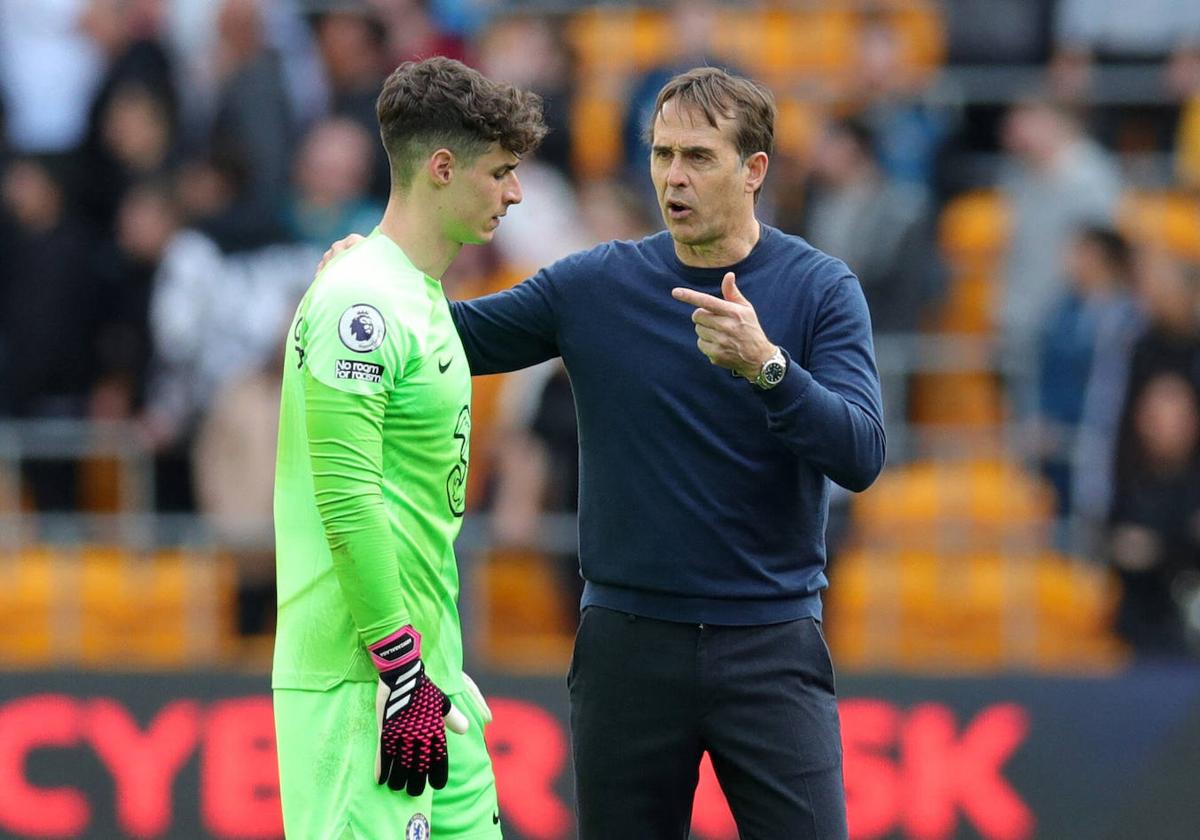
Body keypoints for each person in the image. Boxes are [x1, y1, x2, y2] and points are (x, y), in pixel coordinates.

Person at [327, 66, 884, 839]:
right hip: (627, 646)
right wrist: (365, 284)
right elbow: (444, 334)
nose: (673, 177)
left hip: (770, 644)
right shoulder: (596, 285)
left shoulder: (821, 289)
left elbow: (861, 453)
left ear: (754, 170)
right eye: (661, 155)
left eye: (698, 157)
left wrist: (769, 368)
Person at [273, 56, 546, 838]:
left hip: (436, 687)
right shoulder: (360, 301)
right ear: (439, 168)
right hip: (363, 686)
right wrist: (398, 672)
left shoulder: (418, 298)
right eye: (500, 171)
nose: (514, 193)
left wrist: (426, 677)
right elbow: (346, 496)